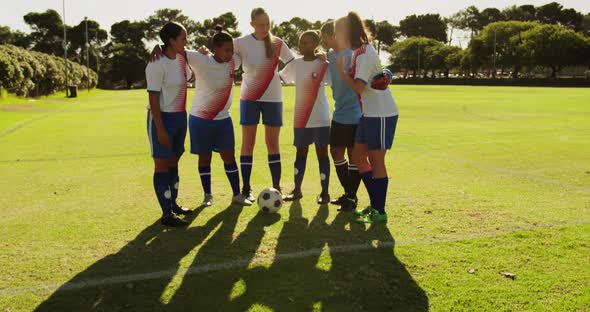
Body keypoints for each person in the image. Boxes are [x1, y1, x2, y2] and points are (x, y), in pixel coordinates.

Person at [334, 13, 399, 224]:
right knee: (359, 158)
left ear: (346, 32)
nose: (335, 35)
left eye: (337, 31)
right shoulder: (359, 53)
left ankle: (379, 211)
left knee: (375, 161)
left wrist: (343, 75)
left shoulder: (363, 53)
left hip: (381, 114)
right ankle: (375, 205)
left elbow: (360, 88)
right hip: (368, 114)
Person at [185, 26, 253, 207]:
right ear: (215, 48)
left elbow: (246, 49)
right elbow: (176, 50)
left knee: (229, 157)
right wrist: (157, 48)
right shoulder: (201, 60)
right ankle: (207, 195)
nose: (231, 53)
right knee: (204, 158)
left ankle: (237, 194)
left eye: (232, 49)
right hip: (200, 119)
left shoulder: (233, 62)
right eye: (227, 50)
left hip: (223, 120)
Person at [234, 7, 295, 200]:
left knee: (273, 144)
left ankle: (276, 187)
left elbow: (294, 62)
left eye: (267, 23)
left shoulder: (277, 43)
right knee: (248, 144)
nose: (265, 27)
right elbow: (228, 62)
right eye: (260, 24)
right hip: (249, 99)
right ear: (251, 24)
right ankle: (246, 188)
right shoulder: (240, 43)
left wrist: (280, 77)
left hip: (273, 99)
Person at [145, 22, 193, 227]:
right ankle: (166, 214)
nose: (186, 41)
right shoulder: (156, 64)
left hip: (180, 117)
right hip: (161, 118)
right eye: (183, 38)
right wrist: (160, 129)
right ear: (171, 40)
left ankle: (173, 204)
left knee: (174, 162)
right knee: (162, 165)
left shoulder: (182, 59)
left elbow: (192, 76)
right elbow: (153, 99)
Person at [279, 30, 332, 204]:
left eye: (308, 42)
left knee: (322, 154)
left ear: (316, 44)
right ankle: (297, 190)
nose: (303, 46)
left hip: (321, 117)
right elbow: (280, 77)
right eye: (301, 42)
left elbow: (334, 82)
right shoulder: (296, 64)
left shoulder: (324, 64)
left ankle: (325, 193)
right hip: (301, 117)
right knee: (300, 153)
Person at [319, 21, 362, 212]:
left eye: (324, 36)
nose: (322, 40)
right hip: (339, 113)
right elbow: (329, 65)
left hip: (355, 113)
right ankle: (349, 194)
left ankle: (351, 198)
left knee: (354, 156)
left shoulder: (351, 54)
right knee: (336, 151)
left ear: (333, 35)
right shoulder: (330, 54)